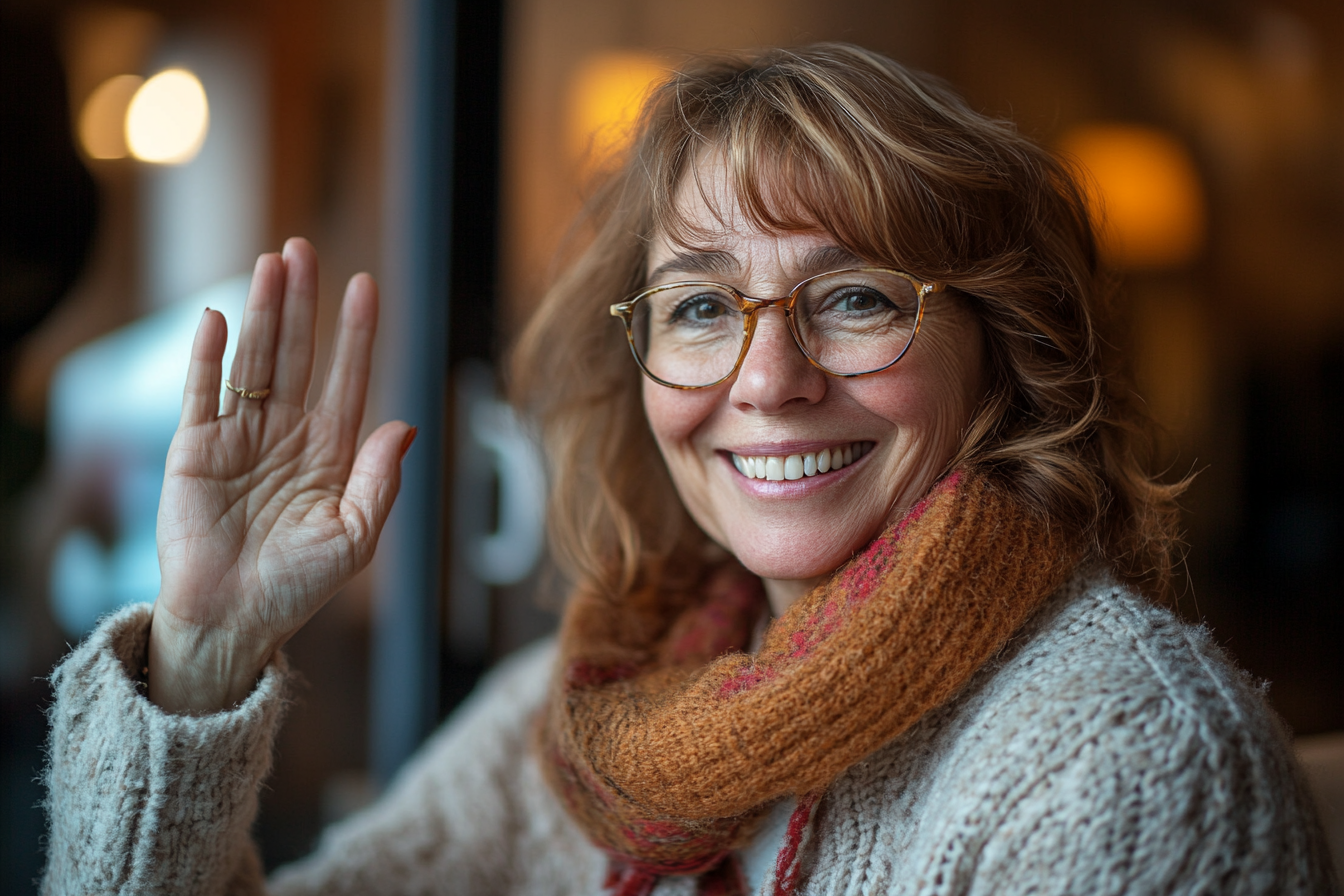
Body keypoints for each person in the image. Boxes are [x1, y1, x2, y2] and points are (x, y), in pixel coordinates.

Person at [41, 44, 1334, 895]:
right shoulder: (580, 711)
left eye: (857, 300)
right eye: (703, 310)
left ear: (1003, 353)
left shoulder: (1120, 754)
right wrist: (207, 650)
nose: (768, 383)